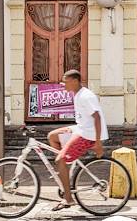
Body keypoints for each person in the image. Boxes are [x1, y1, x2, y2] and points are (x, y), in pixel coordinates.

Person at [47, 69, 108, 211]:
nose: (63, 85)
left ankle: (68, 199)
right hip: (81, 129)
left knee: (59, 160)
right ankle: (65, 168)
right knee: (52, 136)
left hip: (89, 135)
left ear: (75, 81)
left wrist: (98, 143)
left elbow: (97, 118)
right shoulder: (77, 94)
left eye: (65, 82)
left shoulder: (86, 96)